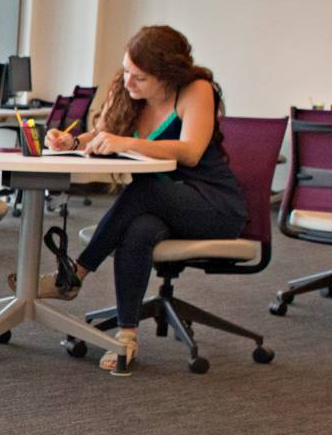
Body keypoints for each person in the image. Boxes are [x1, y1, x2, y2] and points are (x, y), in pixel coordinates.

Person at [46, 25, 248, 376]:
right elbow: (102, 134)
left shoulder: (196, 90)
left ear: (167, 75)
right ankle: (126, 337)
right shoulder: (128, 94)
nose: (128, 82)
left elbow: (190, 152)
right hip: (158, 207)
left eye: (139, 77)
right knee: (138, 229)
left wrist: (126, 144)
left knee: (143, 190)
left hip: (213, 206)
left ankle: (76, 272)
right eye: (126, 70)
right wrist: (73, 143)